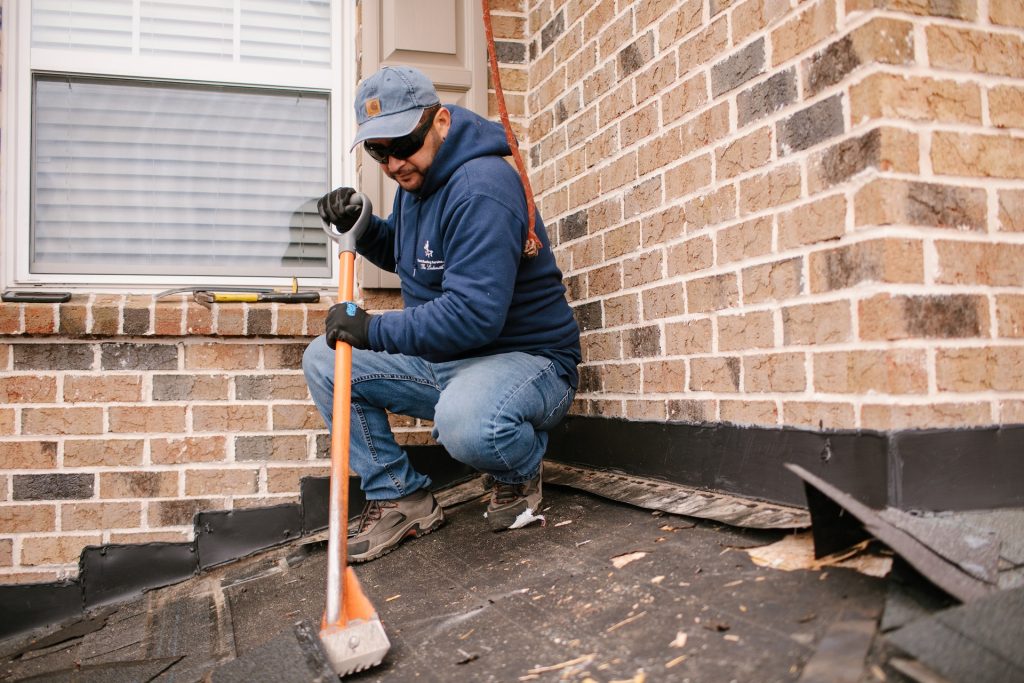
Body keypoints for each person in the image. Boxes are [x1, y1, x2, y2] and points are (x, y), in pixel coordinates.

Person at [302, 65, 581, 563]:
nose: (392, 163)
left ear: (441, 122)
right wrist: (364, 228)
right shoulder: (418, 182)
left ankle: (519, 471)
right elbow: (413, 257)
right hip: (451, 362)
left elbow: (473, 315)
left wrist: (372, 329)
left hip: (526, 363)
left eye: (401, 143)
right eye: (377, 151)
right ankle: (400, 497)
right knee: (326, 359)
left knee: (468, 424)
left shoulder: (481, 187)